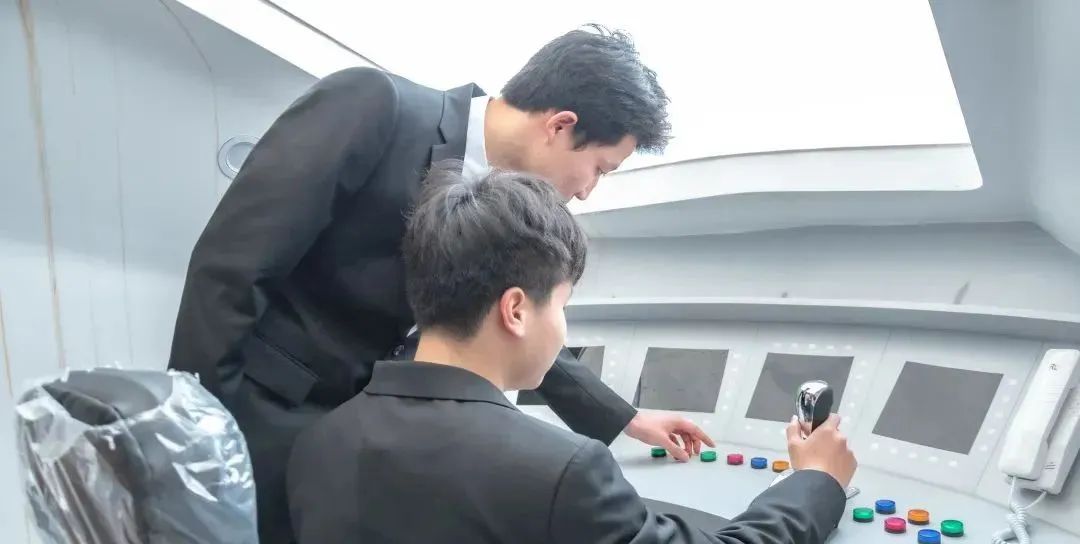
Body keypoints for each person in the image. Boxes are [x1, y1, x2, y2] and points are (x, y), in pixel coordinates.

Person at [168, 25, 713, 543]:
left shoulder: (503, 207)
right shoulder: (375, 105)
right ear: (560, 126)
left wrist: (625, 419)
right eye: (600, 168)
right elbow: (231, 266)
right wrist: (197, 431)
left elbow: (513, 319)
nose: (589, 190)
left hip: (365, 437)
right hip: (262, 416)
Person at [287, 165, 857, 543]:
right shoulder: (561, 470)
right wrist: (816, 480)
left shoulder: (321, 439)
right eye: (562, 305)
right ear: (516, 310)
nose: (562, 329)